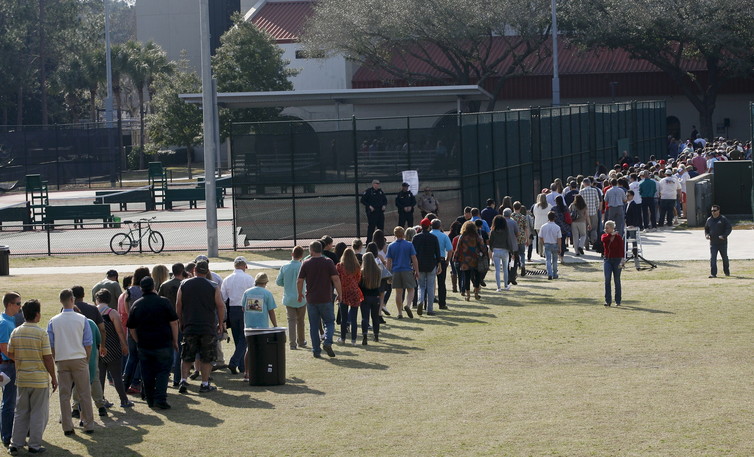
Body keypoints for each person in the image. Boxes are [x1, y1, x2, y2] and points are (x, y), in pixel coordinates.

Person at [6, 299, 57, 455]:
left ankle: (15, 443)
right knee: (38, 413)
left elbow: (9, 353)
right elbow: (48, 358)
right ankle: (34, 445)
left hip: (22, 378)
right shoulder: (41, 333)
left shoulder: (16, 331)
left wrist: (22, 360)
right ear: (37, 315)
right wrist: (53, 377)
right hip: (39, 380)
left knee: (20, 412)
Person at [127, 277, 179, 409]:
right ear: (153, 287)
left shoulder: (137, 304)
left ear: (141, 288)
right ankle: (160, 399)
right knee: (163, 371)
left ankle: (150, 399)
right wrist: (175, 340)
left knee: (147, 372)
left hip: (145, 344)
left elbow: (131, 327)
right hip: (163, 342)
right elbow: (173, 322)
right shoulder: (164, 302)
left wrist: (138, 340)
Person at [48, 289, 94, 435]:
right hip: (79, 358)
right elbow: (88, 343)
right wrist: (86, 358)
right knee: (84, 393)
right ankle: (88, 424)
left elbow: (51, 344)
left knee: (64, 395)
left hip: (62, 359)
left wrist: (56, 358)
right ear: (72, 300)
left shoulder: (53, 321)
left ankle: (67, 426)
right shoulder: (82, 319)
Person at [176, 261, 225, 394]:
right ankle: (204, 383)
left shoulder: (184, 284)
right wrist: (221, 323)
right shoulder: (213, 285)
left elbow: (178, 304)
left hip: (190, 325)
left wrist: (181, 321)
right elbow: (220, 305)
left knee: (187, 355)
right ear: (207, 271)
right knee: (207, 356)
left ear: (194, 270)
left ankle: (183, 380)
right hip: (207, 326)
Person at [297, 241, 342, 358]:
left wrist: (299, 293)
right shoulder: (328, 262)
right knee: (329, 321)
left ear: (311, 250)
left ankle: (316, 350)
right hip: (326, 297)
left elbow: (300, 280)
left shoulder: (306, 263)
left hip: (312, 299)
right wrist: (340, 294)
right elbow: (336, 279)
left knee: (314, 325)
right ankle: (327, 342)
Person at [70, 285, 107, 418]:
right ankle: (100, 405)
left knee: (75, 379)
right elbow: (101, 329)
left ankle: (75, 406)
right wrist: (102, 345)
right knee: (94, 377)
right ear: (83, 294)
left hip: (74, 351)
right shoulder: (92, 311)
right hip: (91, 351)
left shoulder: (67, 312)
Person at [95, 290, 132, 410]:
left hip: (98, 348)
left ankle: (101, 401)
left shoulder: (93, 312)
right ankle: (124, 400)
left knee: (100, 376)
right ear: (109, 299)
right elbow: (119, 331)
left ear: (97, 299)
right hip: (113, 348)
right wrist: (124, 345)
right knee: (116, 376)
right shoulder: (112, 312)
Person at [240, 273, 278, 382]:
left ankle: (246, 372)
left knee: (249, 349)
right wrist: (275, 325)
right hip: (262, 326)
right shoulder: (267, 293)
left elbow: (243, 308)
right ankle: (260, 370)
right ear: (265, 283)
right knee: (263, 349)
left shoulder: (247, 292)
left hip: (249, 326)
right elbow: (271, 311)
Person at [220, 257, 253, 375]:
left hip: (232, 309)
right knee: (244, 339)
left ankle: (242, 366)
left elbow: (223, 298)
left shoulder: (227, 279)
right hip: (245, 309)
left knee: (237, 338)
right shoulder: (249, 278)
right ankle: (235, 362)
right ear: (244, 266)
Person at [0, 293, 21, 447]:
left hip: (7, 364)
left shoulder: (9, 320)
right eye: (18, 303)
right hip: (8, 365)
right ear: (9, 304)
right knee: (9, 403)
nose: (20, 307)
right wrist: (19, 360)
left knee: (10, 401)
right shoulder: (4, 323)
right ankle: (7, 436)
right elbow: (3, 347)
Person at [276, 246, 307, 350]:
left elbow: (278, 282)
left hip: (289, 297)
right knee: (300, 321)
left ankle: (292, 343)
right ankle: (301, 341)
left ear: (292, 254)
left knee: (291, 321)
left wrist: (287, 284)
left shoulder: (285, 266)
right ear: (301, 256)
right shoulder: (303, 266)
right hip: (301, 297)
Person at [386, 226, 419, 318]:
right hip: (407, 269)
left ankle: (399, 312)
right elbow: (414, 259)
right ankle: (408, 305)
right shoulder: (409, 245)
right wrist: (417, 271)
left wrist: (388, 273)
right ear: (403, 234)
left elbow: (389, 261)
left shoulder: (391, 246)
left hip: (396, 271)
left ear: (395, 235)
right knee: (411, 289)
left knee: (398, 292)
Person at [413, 218, 442, 315]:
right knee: (430, 287)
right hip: (431, 264)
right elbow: (437, 253)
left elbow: (413, 254)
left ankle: (420, 300)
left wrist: (413, 266)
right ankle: (430, 309)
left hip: (419, 265)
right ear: (429, 226)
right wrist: (439, 264)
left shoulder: (416, 238)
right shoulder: (433, 238)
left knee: (421, 286)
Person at [453, 221, 486, 301]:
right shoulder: (476, 236)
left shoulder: (462, 236)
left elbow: (458, 248)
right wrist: (484, 253)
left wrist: (455, 258)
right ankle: (476, 294)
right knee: (477, 276)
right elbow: (482, 246)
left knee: (466, 277)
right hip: (475, 258)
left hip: (465, 259)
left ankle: (468, 295)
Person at [336, 248, 363, 344]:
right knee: (354, 318)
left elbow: (337, 279)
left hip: (343, 292)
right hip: (354, 291)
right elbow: (358, 279)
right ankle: (353, 340)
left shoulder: (339, 266)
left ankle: (343, 338)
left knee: (344, 318)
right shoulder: (356, 266)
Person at [359, 253, 382, 344]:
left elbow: (359, 285)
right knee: (375, 317)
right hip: (375, 296)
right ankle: (376, 336)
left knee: (365, 317)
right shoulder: (378, 270)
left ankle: (365, 335)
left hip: (365, 297)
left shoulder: (362, 271)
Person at [429, 219, 453, 310]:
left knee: (429, 283)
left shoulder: (429, 235)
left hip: (430, 260)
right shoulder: (444, 236)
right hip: (442, 260)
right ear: (440, 226)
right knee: (441, 283)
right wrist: (447, 260)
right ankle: (442, 304)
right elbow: (450, 250)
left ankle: (428, 303)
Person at [601, 220, 625, 307]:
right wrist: (611, 235)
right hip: (607, 260)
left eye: (607, 228)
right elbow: (604, 240)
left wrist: (622, 260)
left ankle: (618, 300)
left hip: (617, 260)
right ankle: (608, 300)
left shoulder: (618, 237)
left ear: (612, 228)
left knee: (617, 280)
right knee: (607, 279)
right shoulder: (604, 235)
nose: (605, 229)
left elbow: (621, 248)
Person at [704, 205, 732, 278]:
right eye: (712, 211)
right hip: (713, 243)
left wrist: (724, 235)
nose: (713, 212)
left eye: (715, 210)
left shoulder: (723, 219)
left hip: (722, 243)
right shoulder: (709, 220)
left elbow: (729, 228)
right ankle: (713, 274)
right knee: (713, 258)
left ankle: (726, 271)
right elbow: (706, 229)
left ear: (718, 211)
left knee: (725, 258)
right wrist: (707, 235)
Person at [489, 215, 513, 292]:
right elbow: (509, 241)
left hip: (496, 250)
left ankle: (498, 287)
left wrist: (492, 249)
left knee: (497, 270)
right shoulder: (506, 231)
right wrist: (511, 251)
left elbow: (490, 242)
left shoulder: (493, 231)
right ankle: (506, 285)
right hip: (505, 250)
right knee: (505, 269)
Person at [361, 179, 387, 244]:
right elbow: (362, 200)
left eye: (378, 183)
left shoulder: (380, 191)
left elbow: (385, 200)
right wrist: (369, 206)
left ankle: (380, 243)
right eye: (376, 183)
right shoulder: (368, 191)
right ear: (373, 184)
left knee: (380, 228)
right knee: (371, 228)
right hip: (372, 213)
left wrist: (384, 205)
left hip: (380, 212)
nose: (377, 185)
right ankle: (369, 243)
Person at [538, 212, 562, 280]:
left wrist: (543, 243)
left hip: (547, 243)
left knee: (548, 260)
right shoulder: (557, 227)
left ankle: (549, 273)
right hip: (554, 243)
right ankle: (555, 274)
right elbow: (559, 238)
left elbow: (540, 237)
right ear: (554, 218)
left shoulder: (543, 226)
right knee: (555, 260)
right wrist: (559, 247)